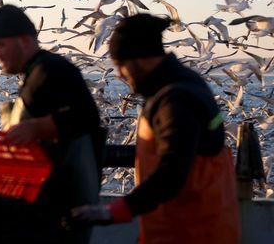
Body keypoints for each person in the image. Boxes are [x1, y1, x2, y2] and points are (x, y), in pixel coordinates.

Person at [71, 13, 240, 244]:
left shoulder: (175, 100)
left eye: (120, 65)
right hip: (191, 226)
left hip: (189, 233)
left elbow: (173, 169)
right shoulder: (185, 83)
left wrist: (113, 211)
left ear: (139, 59)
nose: (119, 75)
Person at [0, 4, 105, 244]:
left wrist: (34, 128)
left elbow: (86, 117)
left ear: (25, 40)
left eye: (0, 45)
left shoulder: (51, 69)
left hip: (62, 211)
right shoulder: (34, 73)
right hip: (38, 205)